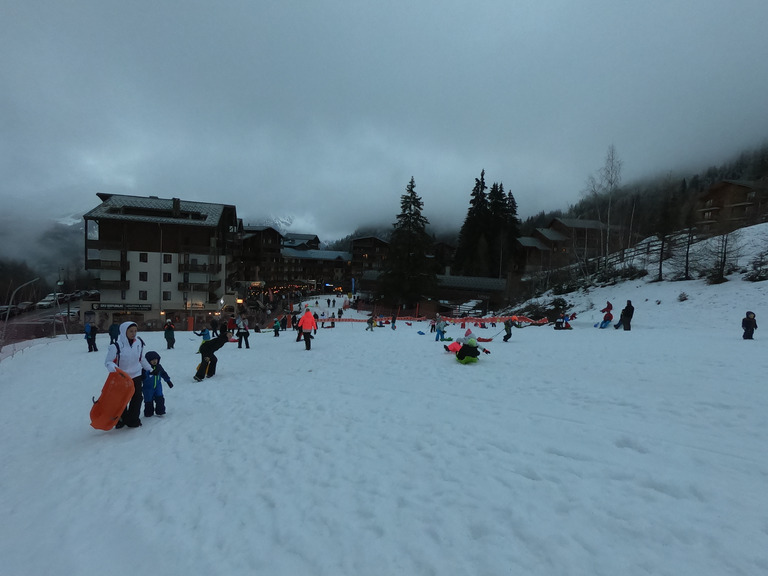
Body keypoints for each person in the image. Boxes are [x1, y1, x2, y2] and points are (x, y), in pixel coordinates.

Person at [105, 321, 152, 429]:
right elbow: (108, 362)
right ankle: (121, 419)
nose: (133, 333)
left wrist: (149, 368)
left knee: (137, 398)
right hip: (121, 377)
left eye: (135, 331)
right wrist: (114, 370)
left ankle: (133, 420)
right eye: (131, 331)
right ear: (123, 331)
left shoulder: (138, 343)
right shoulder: (116, 346)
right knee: (121, 399)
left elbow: (141, 358)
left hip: (136, 375)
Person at [142, 351, 173, 417]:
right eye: (152, 360)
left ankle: (160, 411)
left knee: (160, 399)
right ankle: (149, 412)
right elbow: (143, 378)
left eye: (156, 360)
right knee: (148, 401)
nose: (154, 361)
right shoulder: (145, 369)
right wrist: (150, 373)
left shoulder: (159, 367)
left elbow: (163, 373)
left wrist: (168, 381)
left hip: (158, 386)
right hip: (148, 388)